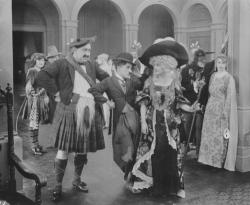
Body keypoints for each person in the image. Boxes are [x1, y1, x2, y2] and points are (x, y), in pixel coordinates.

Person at [35, 36, 109, 201]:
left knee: (82, 148)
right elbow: (41, 77)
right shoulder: (61, 63)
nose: (88, 54)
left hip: (89, 109)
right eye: (84, 50)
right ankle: (58, 185)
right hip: (69, 107)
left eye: (89, 50)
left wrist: (104, 88)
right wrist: (56, 92)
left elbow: (106, 78)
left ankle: (76, 180)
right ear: (74, 50)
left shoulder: (91, 64)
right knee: (63, 149)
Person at [131, 37, 188, 198]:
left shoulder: (174, 83)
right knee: (154, 153)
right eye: (156, 65)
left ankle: (171, 186)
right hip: (152, 123)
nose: (158, 68)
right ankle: (154, 183)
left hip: (170, 125)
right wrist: (143, 122)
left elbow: (180, 103)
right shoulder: (149, 82)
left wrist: (192, 107)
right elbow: (143, 103)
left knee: (170, 154)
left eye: (161, 65)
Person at [89, 52, 144, 192]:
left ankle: (130, 178)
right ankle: (129, 178)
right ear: (118, 67)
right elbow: (93, 90)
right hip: (120, 122)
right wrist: (107, 101)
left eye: (131, 68)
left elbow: (143, 84)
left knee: (135, 147)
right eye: (127, 67)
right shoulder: (109, 81)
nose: (129, 70)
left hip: (135, 119)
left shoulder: (132, 79)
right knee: (126, 149)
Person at [198, 54, 238, 171]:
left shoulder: (229, 78)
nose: (220, 65)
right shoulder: (213, 76)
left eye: (223, 63)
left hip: (221, 108)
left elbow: (229, 97)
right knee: (208, 133)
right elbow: (210, 92)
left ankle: (217, 161)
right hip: (210, 108)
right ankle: (207, 160)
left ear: (226, 64)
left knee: (219, 135)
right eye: (219, 62)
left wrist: (225, 112)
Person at [180, 49, 207, 156]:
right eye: (198, 57)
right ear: (195, 57)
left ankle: (199, 151)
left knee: (199, 126)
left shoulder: (206, 70)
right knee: (187, 127)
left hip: (200, 102)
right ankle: (185, 146)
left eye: (202, 57)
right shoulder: (186, 69)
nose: (201, 59)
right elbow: (183, 86)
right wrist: (194, 85)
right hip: (188, 102)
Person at [24, 53, 48, 155]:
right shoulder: (32, 71)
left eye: (43, 60)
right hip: (34, 100)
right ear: (35, 61)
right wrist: (34, 94)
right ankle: (34, 146)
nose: (41, 62)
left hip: (41, 99)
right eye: (39, 60)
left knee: (37, 122)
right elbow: (29, 86)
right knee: (34, 122)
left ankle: (37, 145)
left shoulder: (42, 71)